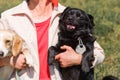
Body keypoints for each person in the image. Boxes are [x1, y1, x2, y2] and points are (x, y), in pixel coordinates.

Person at [0, 0, 105, 80]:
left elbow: (99, 53)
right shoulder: (9, 17)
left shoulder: (67, 14)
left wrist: (78, 59)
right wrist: (8, 61)